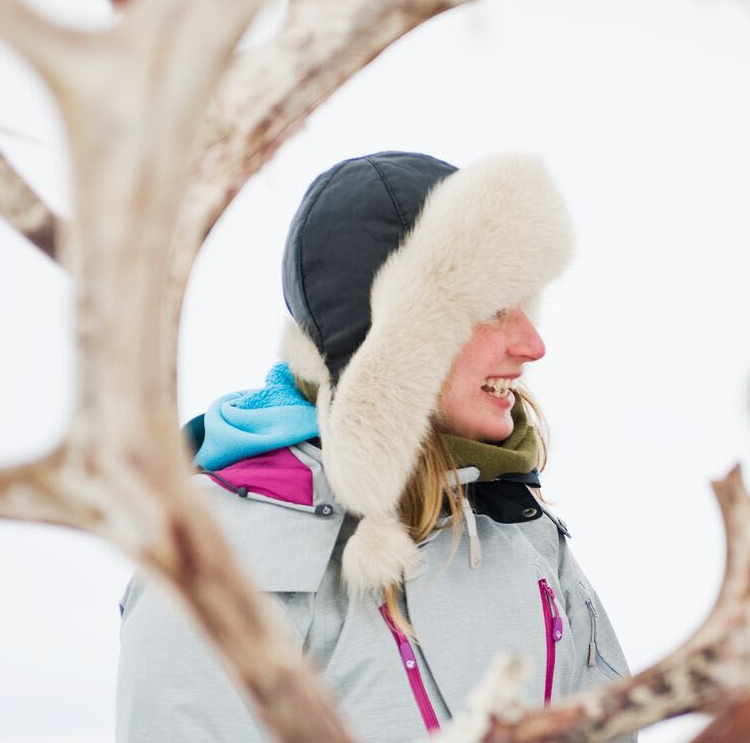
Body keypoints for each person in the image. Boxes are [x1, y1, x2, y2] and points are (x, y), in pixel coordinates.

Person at [115, 151, 630, 741]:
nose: (533, 344)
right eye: (492, 309)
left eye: (523, 303)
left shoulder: (519, 529)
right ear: (397, 342)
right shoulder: (217, 563)